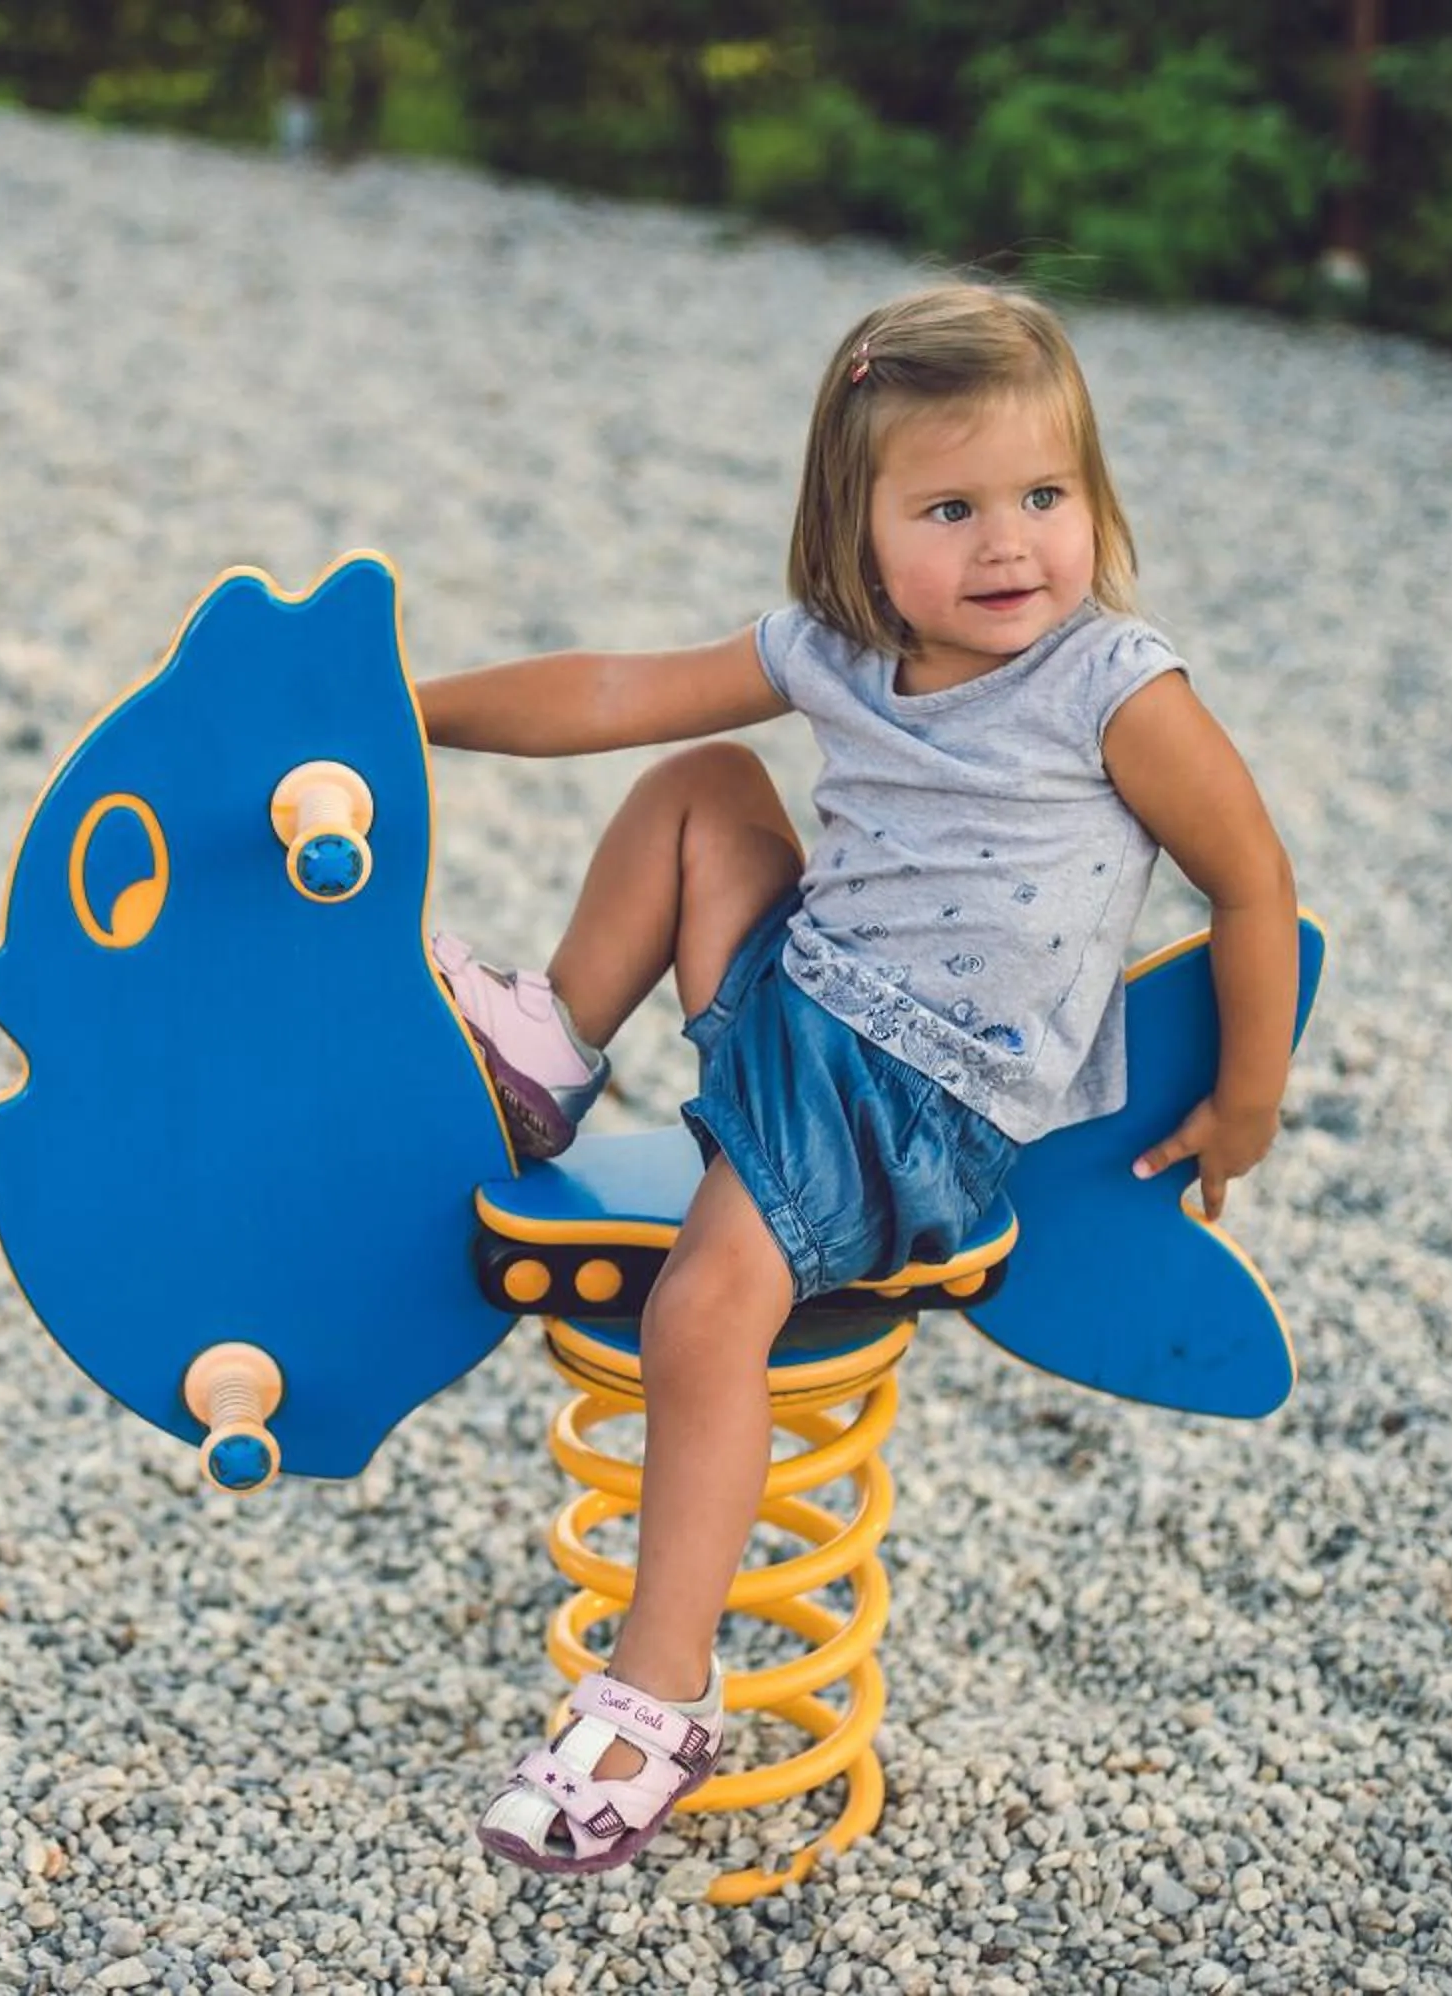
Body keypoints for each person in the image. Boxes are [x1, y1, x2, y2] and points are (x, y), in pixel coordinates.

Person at [420, 282, 1299, 1875]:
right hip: (803, 1004)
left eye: (1046, 496)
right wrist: (407, 716)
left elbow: (1253, 883)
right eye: (951, 508)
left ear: (1095, 503)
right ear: (857, 527)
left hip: (921, 1107)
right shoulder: (840, 651)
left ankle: (655, 1698)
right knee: (700, 777)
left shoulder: (1116, 691)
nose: (1010, 542)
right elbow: (620, 692)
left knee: (702, 1309)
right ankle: (548, 1054)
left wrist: (1250, 1098)